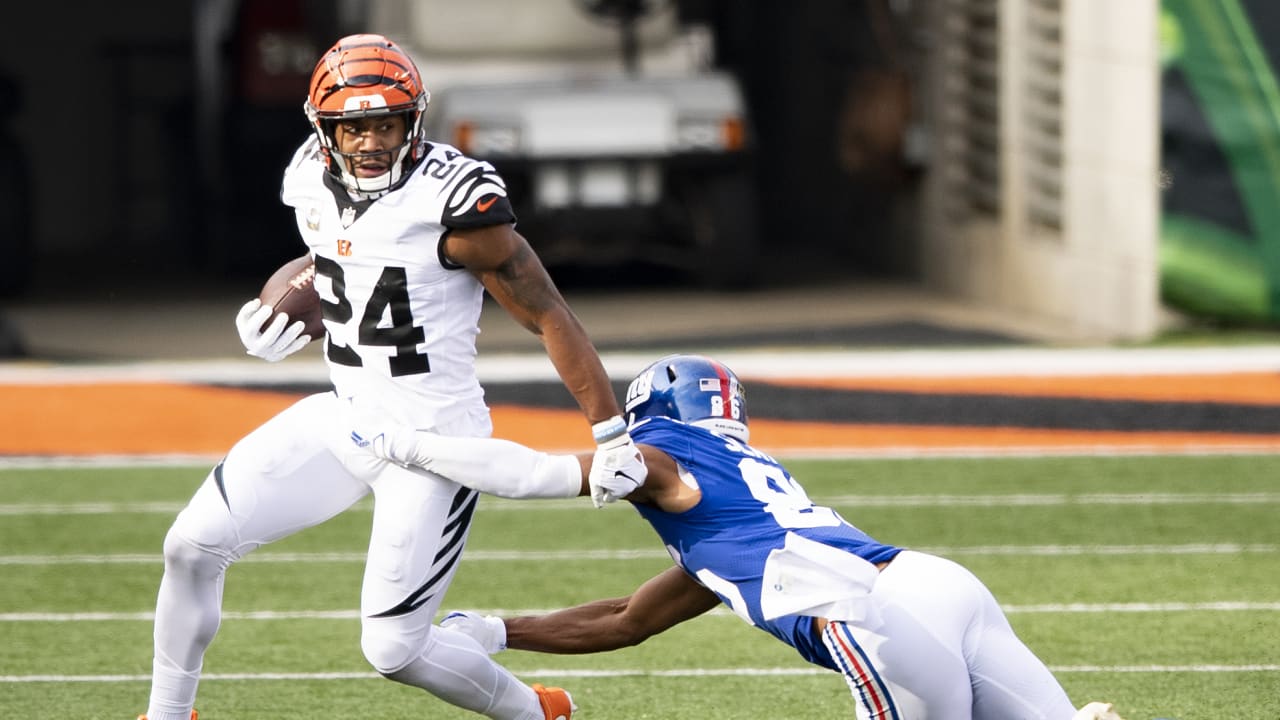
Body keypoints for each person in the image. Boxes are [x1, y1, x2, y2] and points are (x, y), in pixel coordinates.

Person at [138, 33, 645, 720]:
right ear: (325, 131)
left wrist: (608, 430)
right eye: (353, 127)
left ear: (414, 122)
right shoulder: (308, 178)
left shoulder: (456, 202)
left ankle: (537, 713)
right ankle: (168, 716)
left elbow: (546, 311)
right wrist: (274, 314)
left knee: (395, 650)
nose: (370, 141)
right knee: (190, 546)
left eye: (385, 124)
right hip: (345, 415)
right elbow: (335, 258)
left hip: (436, 442)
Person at [352, 353, 1130, 720]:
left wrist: (407, 445)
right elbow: (630, 620)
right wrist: (495, 630)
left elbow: (535, 474)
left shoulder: (665, 458)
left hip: (871, 617)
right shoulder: (737, 494)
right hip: (937, 585)